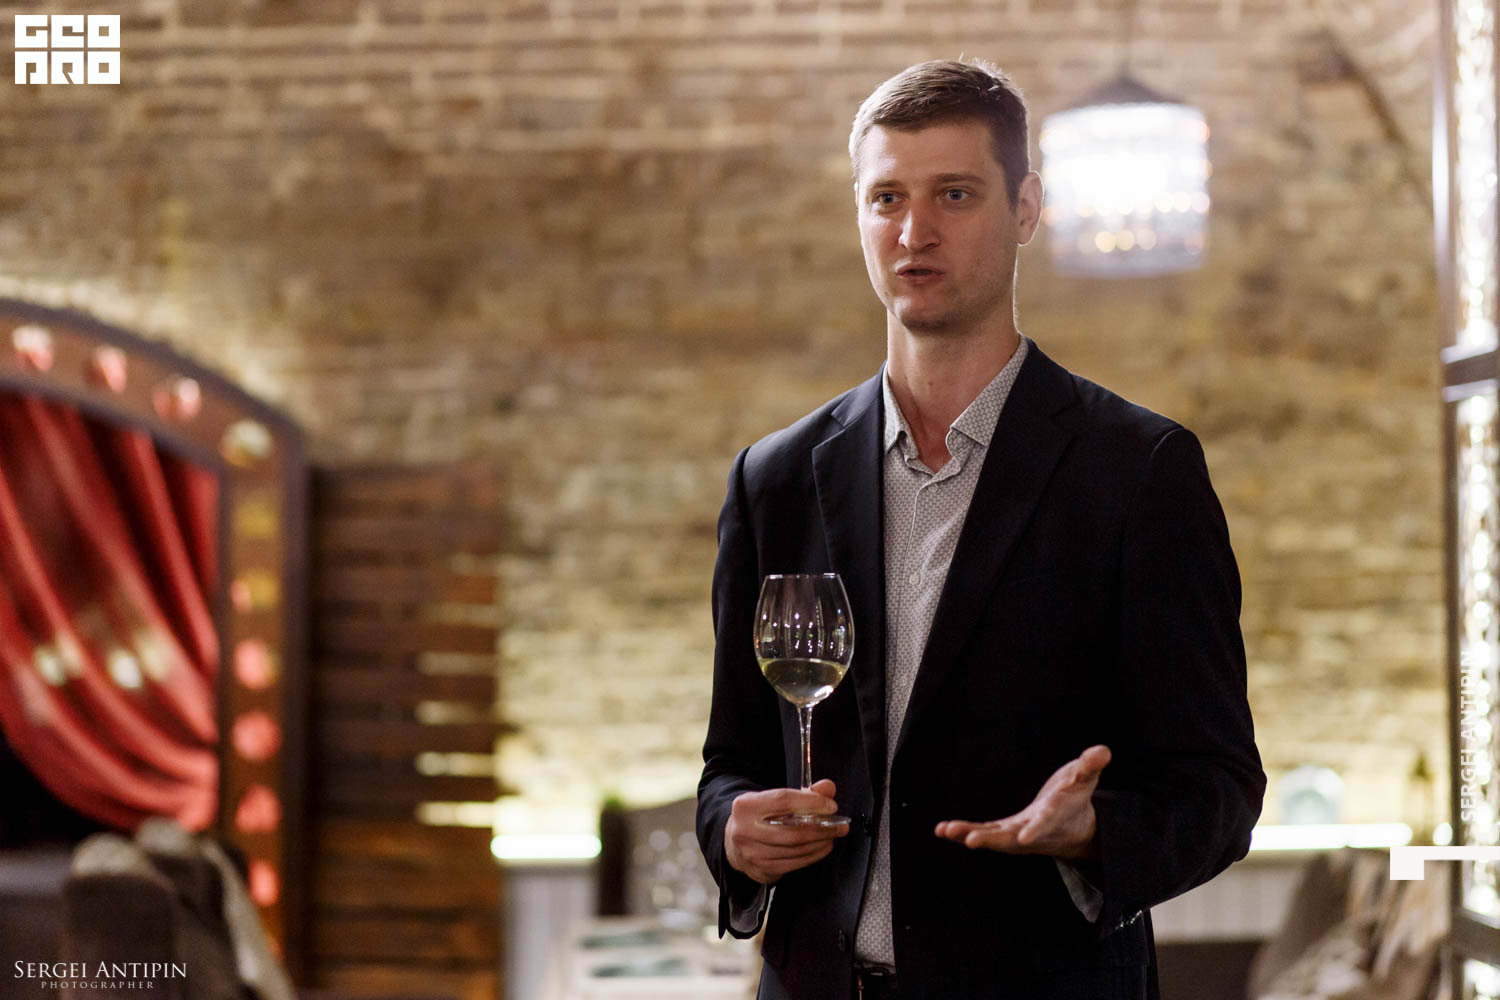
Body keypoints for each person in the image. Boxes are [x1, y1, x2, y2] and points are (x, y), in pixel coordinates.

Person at [696, 58, 1265, 1000]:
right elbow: (731, 761)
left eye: (954, 195)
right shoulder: (775, 479)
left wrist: (1095, 832)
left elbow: (1219, 788)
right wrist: (731, 830)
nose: (914, 232)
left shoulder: (1139, 471)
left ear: (1026, 207)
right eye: (887, 198)